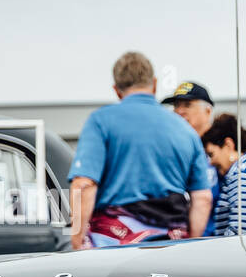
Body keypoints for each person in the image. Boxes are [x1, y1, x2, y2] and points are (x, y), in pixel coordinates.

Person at [68, 53, 212, 247]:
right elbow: (202, 198)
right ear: (154, 84)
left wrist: (77, 241)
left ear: (116, 90)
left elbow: (83, 185)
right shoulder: (186, 130)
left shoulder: (100, 121)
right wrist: (189, 243)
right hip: (172, 247)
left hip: (113, 247)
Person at [161, 80, 221, 236]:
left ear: (208, 111)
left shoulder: (224, 149)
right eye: (176, 105)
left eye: (187, 105)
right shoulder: (174, 152)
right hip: (181, 241)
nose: (179, 111)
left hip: (217, 242)